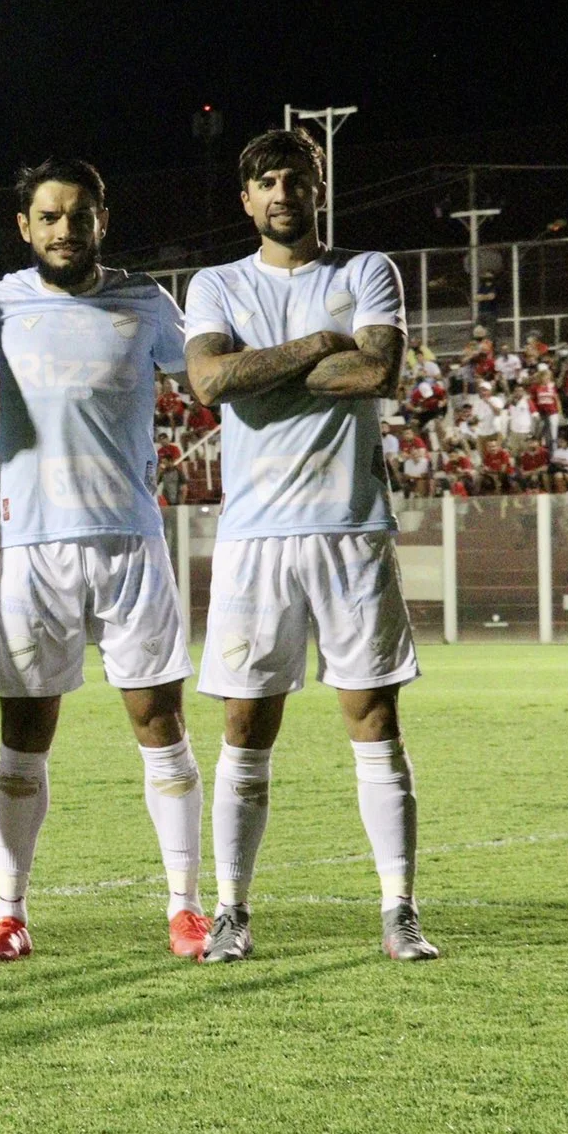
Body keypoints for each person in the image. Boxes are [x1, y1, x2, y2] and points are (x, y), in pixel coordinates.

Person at [182, 127, 437, 964]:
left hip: (351, 530)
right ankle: (231, 910)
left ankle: (399, 908)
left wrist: (266, 371)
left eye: (296, 177)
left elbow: (376, 375)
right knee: (245, 727)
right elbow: (213, 383)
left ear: (316, 188)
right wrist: (320, 345)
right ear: (246, 198)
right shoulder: (216, 282)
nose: (281, 190)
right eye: (265, 180)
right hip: (257, 537)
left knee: (374, 718)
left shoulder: (367, 272)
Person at [0, 157, 210, 963]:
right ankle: (9, 911)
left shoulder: (148, 303)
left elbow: (211, 381)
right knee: (25, 733)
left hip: (131, 540)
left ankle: (186, 908)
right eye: (50, 217)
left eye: (80, 215)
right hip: (34, 548)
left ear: (104, 220)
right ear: (26, 227)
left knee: (159, 723)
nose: (66, 230)